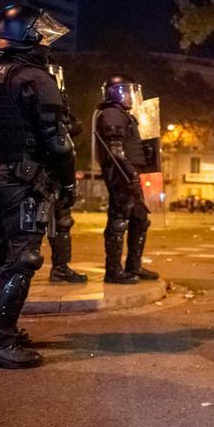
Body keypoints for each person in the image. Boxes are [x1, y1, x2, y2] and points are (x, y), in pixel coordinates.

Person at [0, 5, 76, 368]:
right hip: (20, 180)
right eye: (41, 34)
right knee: (23, 258)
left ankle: (2, 328)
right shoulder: (34, 77)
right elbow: (57, 142)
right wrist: (68, 181)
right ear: (28, 37)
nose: (46, 41)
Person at [95, 74, 159, 284]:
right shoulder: (112, 113)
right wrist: (130, 173)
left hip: (134, 174)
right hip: (122, 176)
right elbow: (116, 151)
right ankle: (113, 271)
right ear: (115, 93)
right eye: (126, 92)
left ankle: (134, 266)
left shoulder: (126, 115)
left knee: (140, 220)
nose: (131, 97)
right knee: (119, 222)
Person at [45, 63, 87, 283]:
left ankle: (60, 267)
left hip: (56, 170)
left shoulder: (59, 103)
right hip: (35, 169)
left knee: (61, 221)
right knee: (26, 225)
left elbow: (75, 125)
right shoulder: (33, 98)